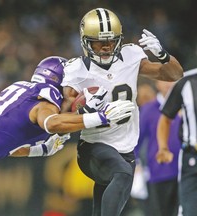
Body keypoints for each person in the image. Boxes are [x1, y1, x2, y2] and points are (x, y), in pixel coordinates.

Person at [0, 56, 135, 216]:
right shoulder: (46, 98)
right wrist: (101, 118)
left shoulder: (29, 94)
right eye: (71, 86)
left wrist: (45, 148)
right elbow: (51, 122)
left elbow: (14, 147)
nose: (75, 92)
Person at [60, 8, 183, 216]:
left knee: (104, 205)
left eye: (110, 41)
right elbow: (63, 115)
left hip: (126, 149)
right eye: (99, 42)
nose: (107, 47)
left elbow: (174, 74)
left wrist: (163, 55)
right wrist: (86, 110)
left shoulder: (130, 56)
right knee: (122, 174)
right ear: (86, 42)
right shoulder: (77, 70)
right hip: (94, 147)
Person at [135, 80, 181, 216]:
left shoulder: (188, 105)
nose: (168, 84)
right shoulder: (149, 109)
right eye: (164, 80)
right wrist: (136, 163)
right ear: (156, 83)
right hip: (160, 171)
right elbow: (136, 139)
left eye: (172, 79)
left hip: (186, 171)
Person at [156, 68, 197, 216]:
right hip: (192, 157)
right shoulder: (186, 81)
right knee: (189, 210)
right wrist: (163, 148)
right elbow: (166, 118)